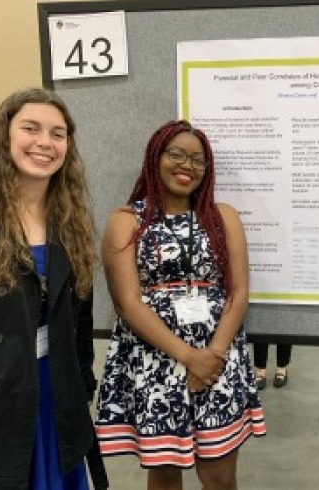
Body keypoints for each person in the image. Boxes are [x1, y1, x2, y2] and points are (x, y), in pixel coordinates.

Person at [0, 88, 106, 489]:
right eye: (30, 128)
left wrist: (82, 382)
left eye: (58, 134)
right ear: (4, 136)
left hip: (53, 392)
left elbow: (78, 316)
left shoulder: (68, 219)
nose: (44, 143)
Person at [95, 120, 265, 490]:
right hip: (156, 361)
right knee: (166, 475)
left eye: (197, 160)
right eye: (176, 154)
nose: (187, 166)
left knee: (219, 475)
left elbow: (239, 294)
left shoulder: (224, 217)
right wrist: (189, 357)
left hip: (218, 359)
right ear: (155, 158)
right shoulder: (126, 221)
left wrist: (211, 357)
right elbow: (127, 303)